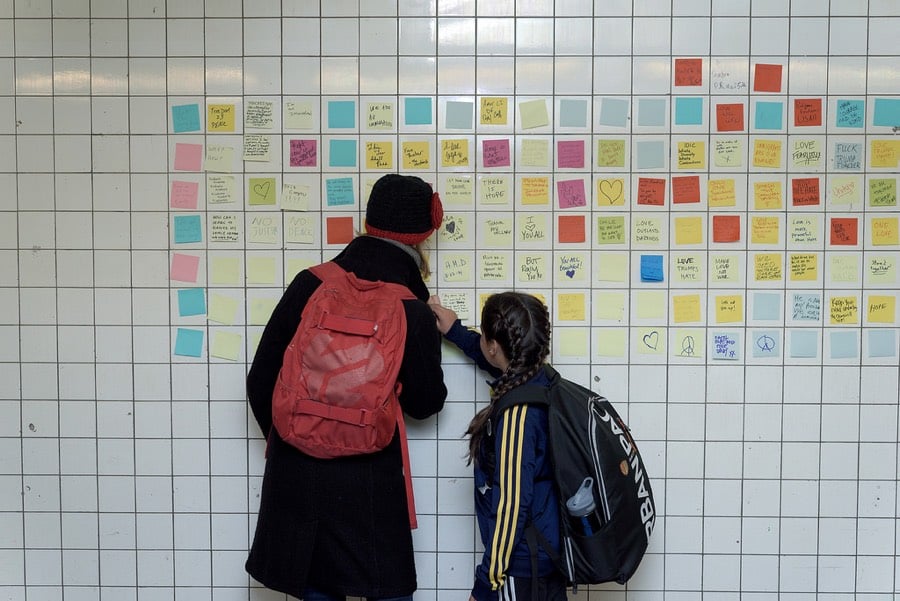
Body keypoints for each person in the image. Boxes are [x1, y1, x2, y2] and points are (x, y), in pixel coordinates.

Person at [246, 174, 449, 601]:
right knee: (387, 590)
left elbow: (260, 379)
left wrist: (297, 435)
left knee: (315, 588)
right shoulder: (411, 309)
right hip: (368, 485)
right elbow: (425, 403)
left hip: (296, 480)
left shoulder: (311, 283)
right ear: (421, 236)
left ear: (368, 221)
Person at [428, 292, 567, 601]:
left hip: (523, 563)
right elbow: (500, 366)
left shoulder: (518, 415)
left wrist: (486, 584)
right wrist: (457, 332)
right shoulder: (541, 380)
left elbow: (512, 505)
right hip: (543, 551)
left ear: (493, 347)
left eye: (485, 337)